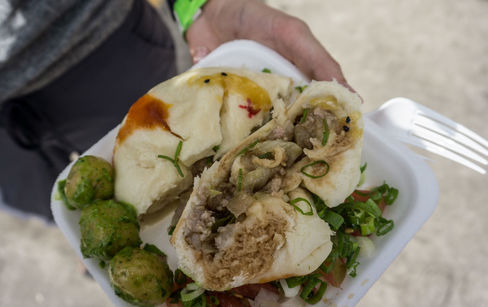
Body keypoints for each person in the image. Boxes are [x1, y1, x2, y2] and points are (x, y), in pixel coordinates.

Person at [0, 0, 350, 221]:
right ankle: (86, 246)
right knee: (52, 202)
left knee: (159, 169)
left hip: (98, 44)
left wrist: (199, 4)